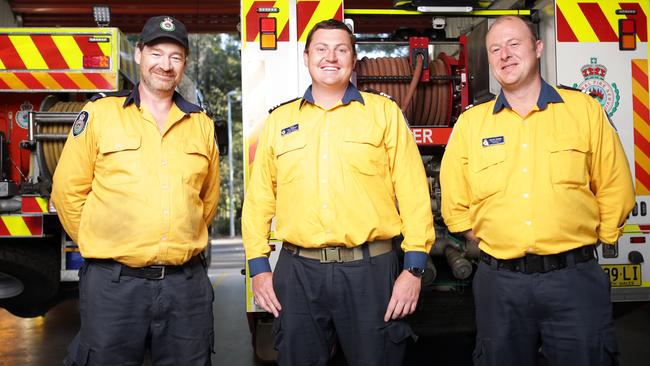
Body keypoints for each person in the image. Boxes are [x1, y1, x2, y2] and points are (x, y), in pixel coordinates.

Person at [440, 15, 635, 366]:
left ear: (538, 48)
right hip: (500, 285)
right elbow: (455, 203)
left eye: (514, 44)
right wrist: (495, 246)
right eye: (495, 49)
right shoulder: (471, 124)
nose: (505, 55)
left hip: (573, 280)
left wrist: (594, 238)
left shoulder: (584, 111)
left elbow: (615, 184)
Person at [242, 19, 435, 365]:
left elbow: (413, 192)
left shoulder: (384, 114)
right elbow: (258, 200)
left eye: (341, 49)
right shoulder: (278, 122)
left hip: (372, 272)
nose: (331, 57)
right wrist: (258, 267)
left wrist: (414, 268)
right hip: (299, 273)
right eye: (321, 48)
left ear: (354, 58)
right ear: (306, 57)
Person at [52, 15, 220, 365]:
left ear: (184, 63)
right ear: (140, 55)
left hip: (184, 286)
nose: (165, 64)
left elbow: (207, 200)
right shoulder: (100, 114)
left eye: (175, 57)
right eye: (157, 53)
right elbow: (68, 192)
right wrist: (99, 242)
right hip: (114, 286)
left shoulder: (201, 125)